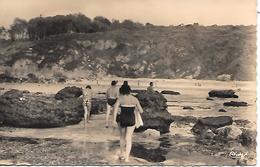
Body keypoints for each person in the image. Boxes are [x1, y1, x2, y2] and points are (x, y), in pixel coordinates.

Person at [112, 84, 143, 162]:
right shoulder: (134, 99)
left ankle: (122, 154)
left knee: (122, 137)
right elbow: (141, 111)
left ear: (121, 91)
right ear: (129, 91)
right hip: (131, 120)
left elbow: (115, 110)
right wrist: (135, 109)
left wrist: (113, 120)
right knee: (128, 138)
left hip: (122, 119)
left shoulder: (120, 99)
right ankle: (127, 158)